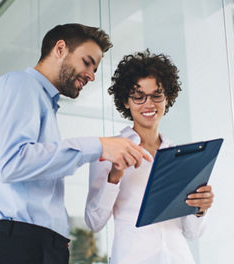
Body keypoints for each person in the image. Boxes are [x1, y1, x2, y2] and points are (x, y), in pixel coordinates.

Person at [0, 23, 151, 264]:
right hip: (25, 245)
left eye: (95, 68)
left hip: (42, 246)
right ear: (60, 48)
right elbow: (12, 163)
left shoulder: (43, 102)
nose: (91, 75)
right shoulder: (20, 86)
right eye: (87, 62)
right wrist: (99, 146)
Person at [85, 50, 214, 264]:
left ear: (167, 97)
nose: (149, 104)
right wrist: (115, 176)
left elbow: (192, 233)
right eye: (138, 96)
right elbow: (94, 222)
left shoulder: (181, 155)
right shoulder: (109, 150)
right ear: (126, 101)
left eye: (157, 95)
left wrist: (200, 209)